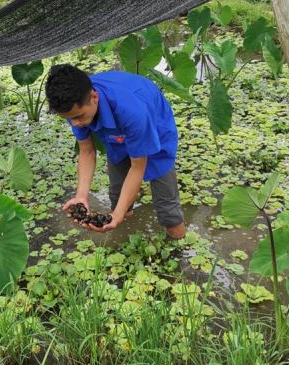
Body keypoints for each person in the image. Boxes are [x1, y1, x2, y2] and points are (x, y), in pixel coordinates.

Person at [45, 64, 186, 239]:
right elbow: (87, 151)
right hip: (115, 134)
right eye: (69, 119)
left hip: (153, 127)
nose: (75, 124)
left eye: (78, 117)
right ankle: (124, 240)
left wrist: (117, 215)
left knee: (167, 208)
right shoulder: (72, 105)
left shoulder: (133, 112)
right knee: (118, 198)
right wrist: (82, 195)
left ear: (94, 97)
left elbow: (137, 167)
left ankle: (176, 243)